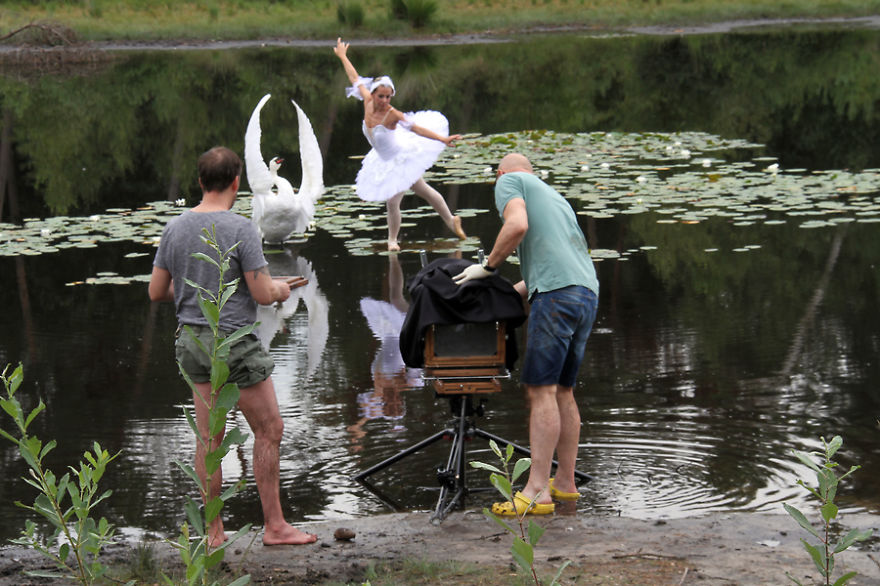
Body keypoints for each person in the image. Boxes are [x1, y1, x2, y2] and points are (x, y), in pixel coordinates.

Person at [148, 146, 318, 546]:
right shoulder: (241, 229)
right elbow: (262, 294)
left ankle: (213, 532)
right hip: (234, 342)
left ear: (201, 182)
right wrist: (278, 288)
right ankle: (275, 527)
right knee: (269, 428)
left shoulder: (174, 228)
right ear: (237, 182)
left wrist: (199, 289)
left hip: (191, 342)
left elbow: (157, 291)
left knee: (209, 441)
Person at [452, 153, 599, 516]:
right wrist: (506, 292)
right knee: (563, 390)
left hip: (558, 295)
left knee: (541, 391)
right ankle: (564, 483)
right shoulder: (555, 197)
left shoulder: (509, 182)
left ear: (502, 174)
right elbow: (557, 262)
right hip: (586, 293)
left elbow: (515, 226)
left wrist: (486, 268)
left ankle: (536, 490)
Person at [334, 37, 467, 251]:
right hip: (382, 158)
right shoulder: (367, 101)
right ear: (374, 94)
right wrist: (342, 56)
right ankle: (451, 221)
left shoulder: (392, 114)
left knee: (393, 201)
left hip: (401, 157)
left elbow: (416, 129)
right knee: (424, 190)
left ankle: (392, 240)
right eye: (381, 96)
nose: (385, 101)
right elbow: (354, 77)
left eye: (388, 97)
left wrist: (442, 139)